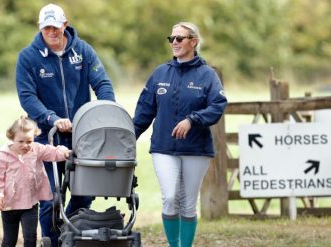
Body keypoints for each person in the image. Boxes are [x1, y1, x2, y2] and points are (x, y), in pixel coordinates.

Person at [15, 3, 115, 246]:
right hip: (45, 136)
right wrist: (51, 118)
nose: (51, 32)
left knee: (86, 192)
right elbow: (27, 96)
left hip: (83, 136)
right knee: (50, 198)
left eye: (56, 27)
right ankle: (51, 239)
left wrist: (108, 110)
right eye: (46, 27)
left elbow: (101, 83)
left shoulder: (83, 50)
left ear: (65, 25)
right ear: (40, 28)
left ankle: (67, 232)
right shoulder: (28, 57)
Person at [133, 22, 227, 247]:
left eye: (179, 38)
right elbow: (143, 112)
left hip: (196, 149)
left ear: (193, 42)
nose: (174, 42)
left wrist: (192, 120)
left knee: (187, 203)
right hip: (164, 148)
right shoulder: (160, 73)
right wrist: (127, 138)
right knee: (170, 197)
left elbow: (218, 105)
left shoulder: (207, 75)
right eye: (171, 38)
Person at [0, 116, 71, 247]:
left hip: (30, 204)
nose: (25, 145)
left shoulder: (36, 149)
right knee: (10, 240)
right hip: (9, 205)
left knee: (31, 238)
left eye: (29, 141)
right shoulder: (3, 155)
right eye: (20, 141)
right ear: (11, 138)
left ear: (34, 138)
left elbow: (51, 152)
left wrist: (65, 153)